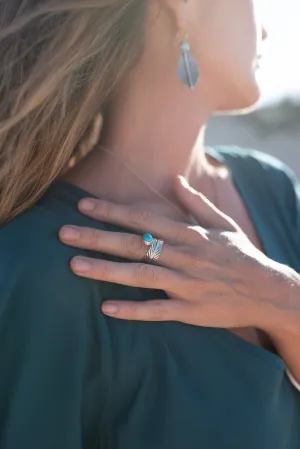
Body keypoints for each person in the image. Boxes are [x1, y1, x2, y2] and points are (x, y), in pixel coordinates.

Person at [0, 0, 299, 448]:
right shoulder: (44, 269)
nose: (267, 27)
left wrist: (281, 298)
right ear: (183, 9)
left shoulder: (272, 189)